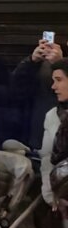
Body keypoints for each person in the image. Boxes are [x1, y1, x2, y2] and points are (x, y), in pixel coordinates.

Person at [13, 37, 64, 150]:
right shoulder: (42, 64)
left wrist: (60, 64)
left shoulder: (59, 62)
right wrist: (31, 61)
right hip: (36, 129)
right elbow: (15, 86)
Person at [42, 62, 68, 207]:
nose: (53, 87)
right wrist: (51, 192)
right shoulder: (52, 115)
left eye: (58, 80)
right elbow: (47, 156)